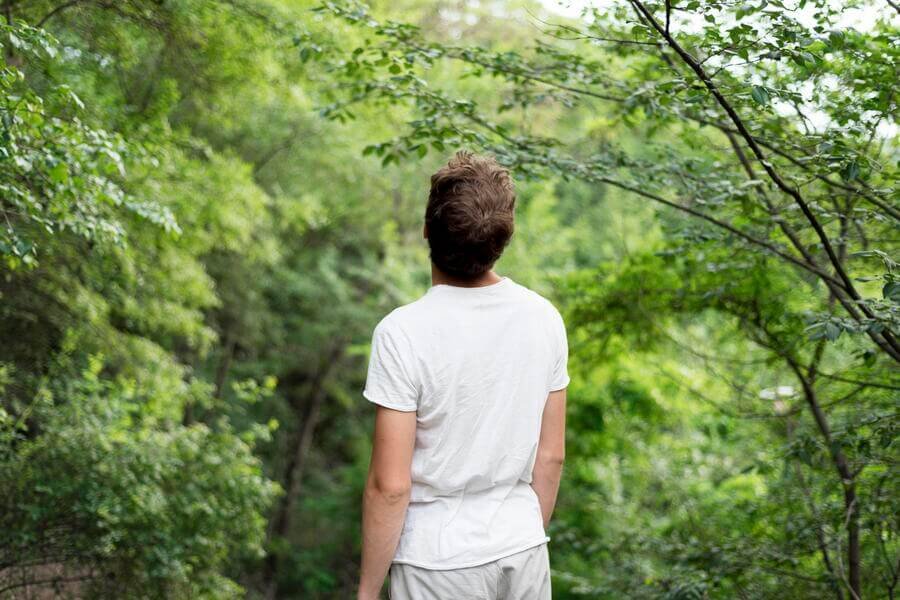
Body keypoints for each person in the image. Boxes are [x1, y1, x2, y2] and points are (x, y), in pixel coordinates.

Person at [357, 150, 569, 600]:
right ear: (503, 238)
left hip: (435, 562)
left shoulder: (402, 333)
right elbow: (550, 458)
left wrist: (367, 591)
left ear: (426, 231)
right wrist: (519, 530)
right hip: (523, 548)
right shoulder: (543, 319)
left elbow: (390, 487)